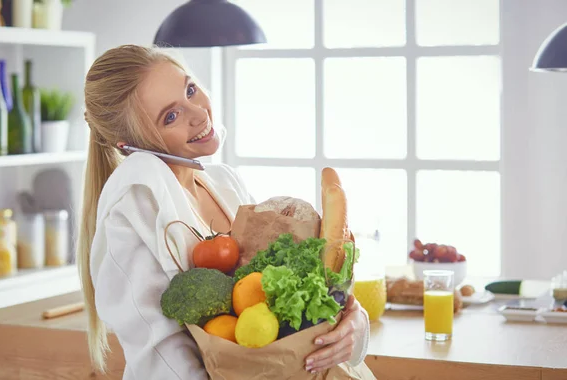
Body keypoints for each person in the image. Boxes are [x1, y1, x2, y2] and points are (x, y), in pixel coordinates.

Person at [77, 44, 370, 379]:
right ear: (131, 149)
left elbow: (285, 303)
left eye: (190, 90)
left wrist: (353, 326)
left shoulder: (225, 183)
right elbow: (160, 359)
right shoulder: (133, 210)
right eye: (170, 116)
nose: (199, 113)